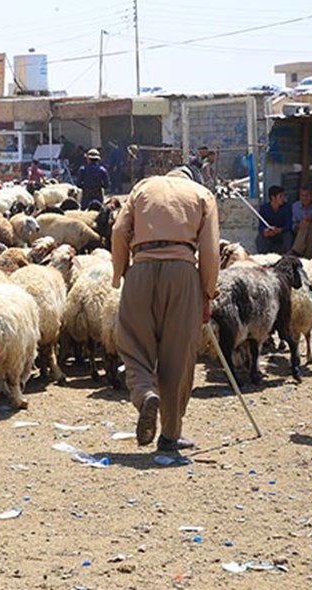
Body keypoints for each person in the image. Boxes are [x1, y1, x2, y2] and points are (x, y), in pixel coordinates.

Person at [111, 164, 220, 452]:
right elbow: (210, 250)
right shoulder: (202, 194)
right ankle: (171, 435)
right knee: (178, 355)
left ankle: (145, 392)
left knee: (132, 342)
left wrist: (121, 273)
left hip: (142, 267)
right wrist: (207, 292)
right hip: (183, 272)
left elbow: (119, 230)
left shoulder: (142, 188)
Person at [256, 185, 293, 254]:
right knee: (261, 237)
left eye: (283, 196)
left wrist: (279, 230)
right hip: (270, 233)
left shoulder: (287, 207)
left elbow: (289, 224)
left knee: (288, 235)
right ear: (273, 198)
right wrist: (265, 231)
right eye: (280, 196)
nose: (283, 198)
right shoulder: (264, 209)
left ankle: (288, 255)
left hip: (282, 233)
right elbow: (261, 225)